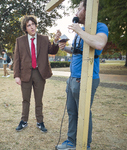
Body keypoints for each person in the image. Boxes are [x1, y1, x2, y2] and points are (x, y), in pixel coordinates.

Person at [56, 0, 108, 149]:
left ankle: (85, 144)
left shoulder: (100, 27)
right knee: (72, 112)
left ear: (88, 10)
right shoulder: (82, 31)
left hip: (86, 79)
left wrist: (79, 30)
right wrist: (65, 48)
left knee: (83, 113)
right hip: (72, 78)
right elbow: (78, 50)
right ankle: (71, 141)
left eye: (79, 9)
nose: (76, 12)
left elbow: (98, 44)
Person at [14, 15, 61, 132]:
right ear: (25, 29)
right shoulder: (20, 41)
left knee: (38, 100)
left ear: (36, 25)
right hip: (25, 74)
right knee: (26, 100)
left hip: (39, 74)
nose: (32, 27)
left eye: (33, 24)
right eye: (28, 25)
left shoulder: (44, 39)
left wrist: (55, 41)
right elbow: (16, 59)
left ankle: (40, 122)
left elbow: (53, 51)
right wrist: (16, 75)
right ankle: (24, 121)